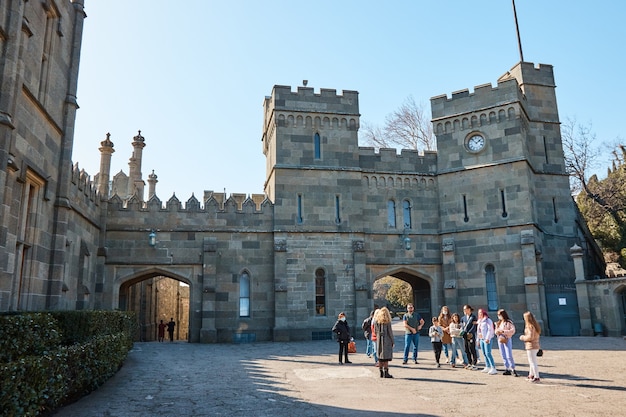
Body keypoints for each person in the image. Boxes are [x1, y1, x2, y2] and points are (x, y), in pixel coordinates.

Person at [520, 311, 541, 383]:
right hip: (536, 345)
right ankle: (531, 375)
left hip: (531, 346)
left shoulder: (529, 327)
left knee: (532, 362)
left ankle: (536, 377)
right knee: (532, 361)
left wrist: (523, 337)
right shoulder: (535, 325)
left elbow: (530, 337)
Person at [495, 309, 518, 376]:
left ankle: (513, 368)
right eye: (498, 315)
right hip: (500, 339)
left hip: (507, 339)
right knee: (503, 354)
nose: (498, 316)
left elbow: (512, 330)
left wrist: (503, 332)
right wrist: (497, 332)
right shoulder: (499, 323)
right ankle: (507, 368)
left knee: (509, 354)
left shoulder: (508, 322)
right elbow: (496, 331)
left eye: (500, 315)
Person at [374, 307, 395, 378]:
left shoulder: (376, 321)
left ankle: (381, 372)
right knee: (386, 357)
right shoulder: (387, 322)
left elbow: (375, 331)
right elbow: (390, 332)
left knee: (380, 357)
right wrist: (393, 341)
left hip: (379, 340)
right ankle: (386, 372)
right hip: (387, 341)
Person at [476, 308, 497, 374]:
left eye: (481, 312)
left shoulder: (488, 320)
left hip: (487, 339)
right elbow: (478, 331)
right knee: (484, 353)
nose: (480, 314)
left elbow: (490, 330)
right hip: (481, 339)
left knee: (488, 353)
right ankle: (487, 366)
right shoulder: (479, 321)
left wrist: (488, 338)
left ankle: (493, 367)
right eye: (479, 313)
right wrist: (478, 340)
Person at [461, 304, 478, 370]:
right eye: (464, 309)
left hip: (471, 335)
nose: (464, 311)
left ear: (469, 309)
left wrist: (470, 333)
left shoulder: (473, 317)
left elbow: (474, 326)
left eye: (465, 309)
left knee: (472, 349)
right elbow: (462, 326)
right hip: (465, 336)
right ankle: (469, 363)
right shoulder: (463, 318)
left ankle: (474, 363)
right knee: (466, 349)